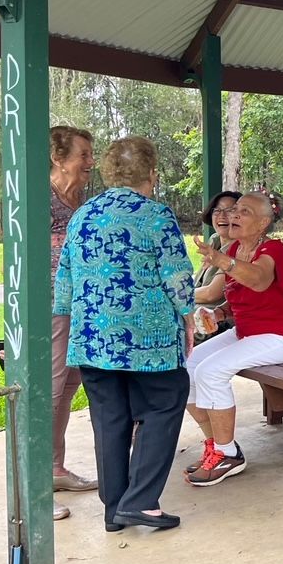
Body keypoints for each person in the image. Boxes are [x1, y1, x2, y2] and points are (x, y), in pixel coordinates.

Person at [53, 136, 194, 531]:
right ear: (152, 173)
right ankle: (142, 501)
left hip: (94, 340)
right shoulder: (156, 216)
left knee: (109, 418)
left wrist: (73, 321)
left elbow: (64, 281)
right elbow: (177, 277)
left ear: (108, 173)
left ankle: (114, 510)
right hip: (148, 342)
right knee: (165, 402)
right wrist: (189, 315)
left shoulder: (82, 216)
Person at [187, 191, 283, 484]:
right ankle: (214, 447)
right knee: (189, 368)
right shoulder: (233, 251)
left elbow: (259, 280)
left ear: (262, 224)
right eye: (234, 210)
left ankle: (228, 454)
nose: (233, 215)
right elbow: (235, 298)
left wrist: (220, 259)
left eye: (243, 212)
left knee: (211, 371)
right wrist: (218, 314)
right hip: (249, 331)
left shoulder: (274, 250)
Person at [47, 125, 99, 521]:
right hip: (50, 306)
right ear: (58, 158)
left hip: (80, 305)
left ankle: (55, 469)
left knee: (68, 385)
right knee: (47, 388)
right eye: (83, 154)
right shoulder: (39, 199)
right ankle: (36, 487)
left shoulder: (81, 200)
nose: (90, 162)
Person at [194, 190, 241, 307]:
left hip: (215, 319)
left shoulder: (241, 249)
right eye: (217, 210)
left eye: (230, 210)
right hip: (193, 310)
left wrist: (175, 296)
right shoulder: (214, 240)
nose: (222, 216)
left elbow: (211, 294)